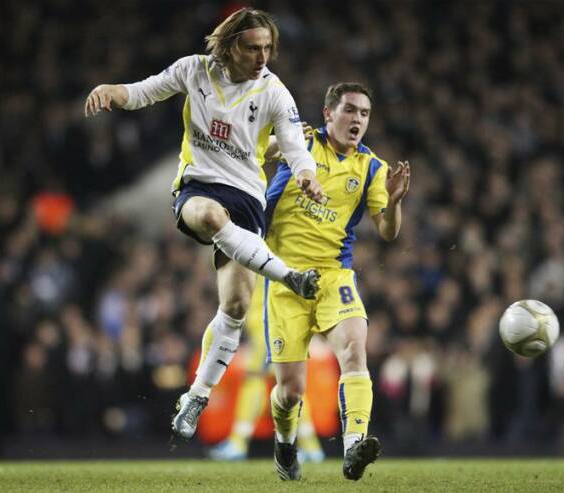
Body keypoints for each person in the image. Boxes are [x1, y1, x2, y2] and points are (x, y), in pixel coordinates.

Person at [84, 8, 325, 442]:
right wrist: (109, 90)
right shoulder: (193, 70)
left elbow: (295, 146)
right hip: (198, 188)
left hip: (249, 200)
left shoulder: (274, 91)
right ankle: (289, 276)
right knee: (211, 217)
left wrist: (307, 173)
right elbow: (141, 93)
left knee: (234, 307)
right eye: (254, 47)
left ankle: (195, 395)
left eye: (268, 47)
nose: (262, 56)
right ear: (232, 44)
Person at [260, 82, 410, 481]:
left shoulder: (371, 167)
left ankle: (353, 446)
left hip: (333, 275)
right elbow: (257, 150)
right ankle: (285, 444)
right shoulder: (300, 144)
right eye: (349, 110)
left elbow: (388, 232)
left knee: (354, 350)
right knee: (290, 391)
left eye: (364, 113)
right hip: (284, 276)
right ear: (329, 114)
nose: (357, 119)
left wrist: (393, 204)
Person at [207, 275, 325, 463]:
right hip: (274, 319)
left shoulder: (264, 247)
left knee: (257, 380)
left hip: (268, 321)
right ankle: (311, 447)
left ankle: (238, 443)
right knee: (288, 384)